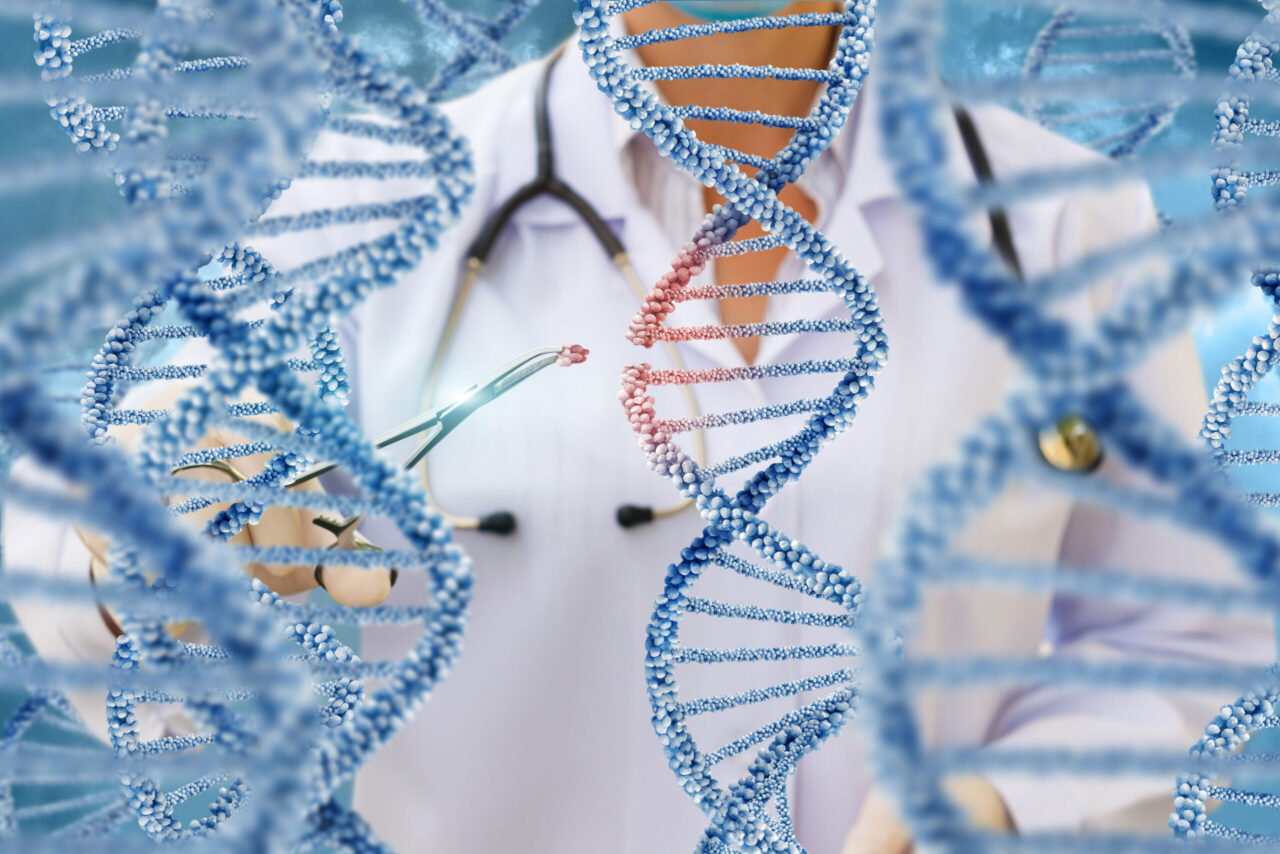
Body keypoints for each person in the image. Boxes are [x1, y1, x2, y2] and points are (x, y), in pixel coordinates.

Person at [3, 2, 1272, 852]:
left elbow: (1185, 640)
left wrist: (992, 802)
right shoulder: (377, 199)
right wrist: (148, 543)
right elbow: (71, 518)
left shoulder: (1061, 219)